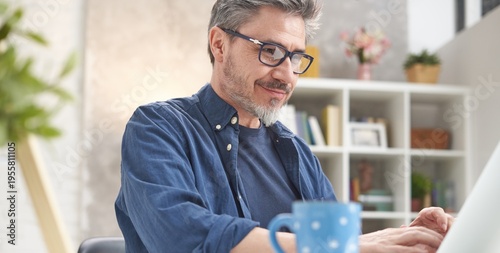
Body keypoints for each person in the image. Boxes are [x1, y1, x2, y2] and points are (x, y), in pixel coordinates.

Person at [115, 0, 454, 252]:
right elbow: (184, 238)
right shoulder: (158, 128)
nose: (286, 74)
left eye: (295, 57)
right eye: (271, 50)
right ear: (219, 44)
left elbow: (336, 245)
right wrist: (352, 246)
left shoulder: (298, 153)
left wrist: (403, 240)